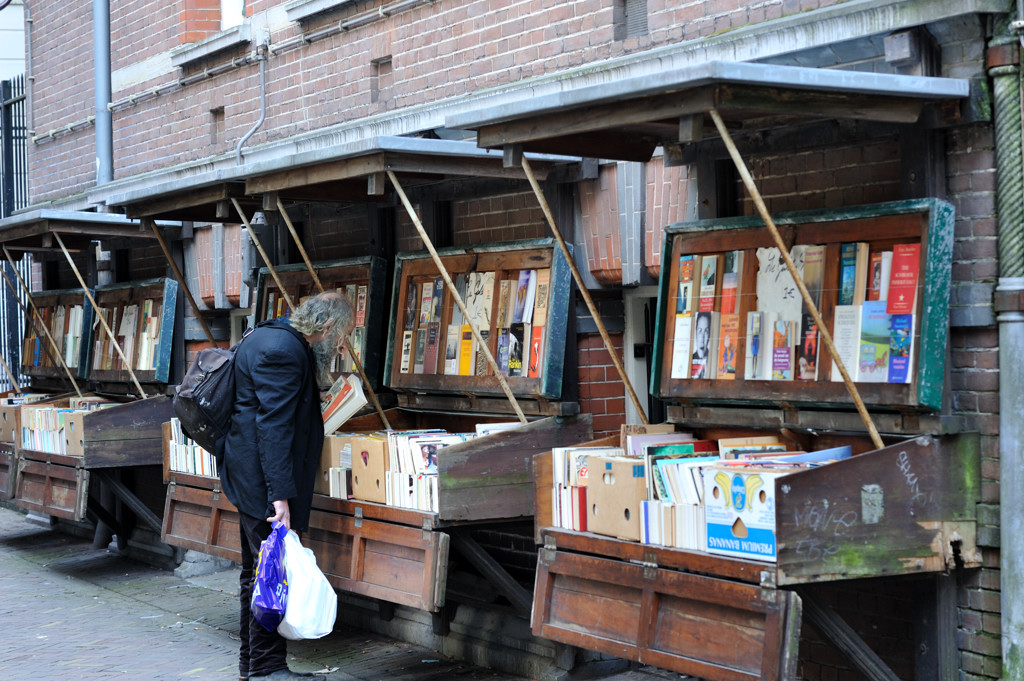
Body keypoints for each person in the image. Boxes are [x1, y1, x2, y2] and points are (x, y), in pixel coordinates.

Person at [219, 292, 354, 681]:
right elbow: (273, 428)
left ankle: (253, 666)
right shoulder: (285, 351)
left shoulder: (269, 334)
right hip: (262, 481)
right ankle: (266, 669)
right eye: (341, 336)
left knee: (257, 574)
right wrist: (279, 497)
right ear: (326, 328)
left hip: (246, 473)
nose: (340, 345)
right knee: (271, 574)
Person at [691, 311, 711, 378]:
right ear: (695, 334)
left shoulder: (713, 361)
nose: (702, 338)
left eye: (706, 331)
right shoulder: (690, 359)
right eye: (699, 331)